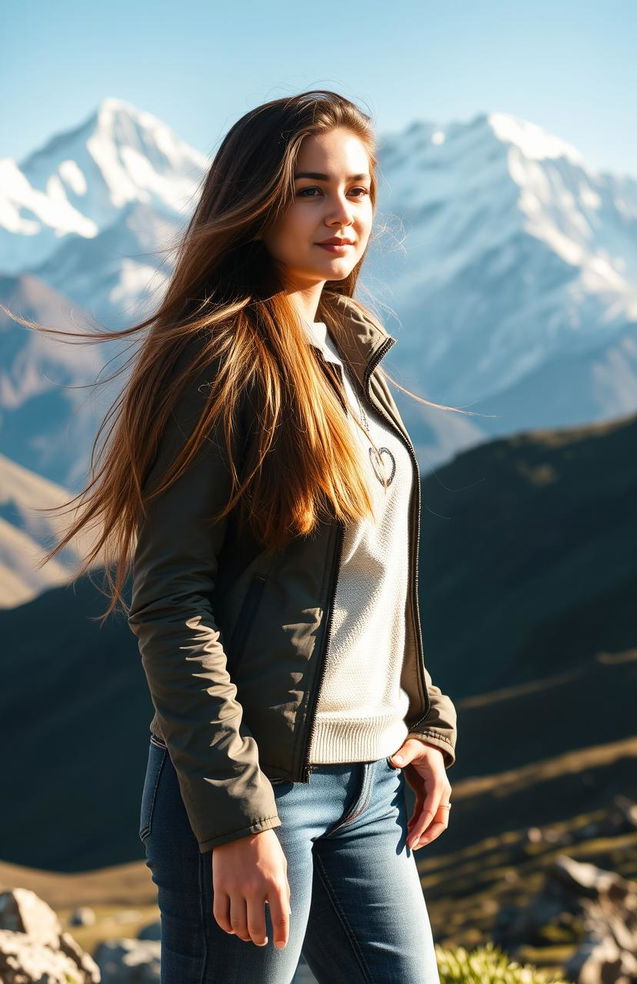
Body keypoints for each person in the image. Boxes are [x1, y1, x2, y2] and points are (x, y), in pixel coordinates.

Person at [20, 89, 461, 984]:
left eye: (360, 190)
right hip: (257, 792)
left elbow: (366, 578)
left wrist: (421, 723)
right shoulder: (218, 363)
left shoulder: (346, 353)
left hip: (373, 788)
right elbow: (171, 601)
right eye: (310, 189)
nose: (343, 214)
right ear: (256, 204)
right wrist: (234, 820)